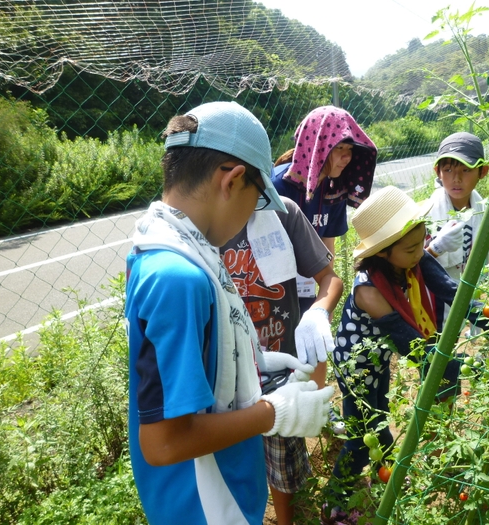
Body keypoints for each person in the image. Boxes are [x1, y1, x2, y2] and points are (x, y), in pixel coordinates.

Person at [124, 101, 334, 525]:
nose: (253, 213)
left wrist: (256, 362)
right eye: (257, 199)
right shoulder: (179, 278)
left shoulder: (167, 243)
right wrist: (275, 412)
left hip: (215, 493)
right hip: (205, 506)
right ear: (234, 180)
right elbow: (163, 442)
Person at [325, 187, 484, 518]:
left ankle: (386, 479)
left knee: (380, 417)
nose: (419, 253)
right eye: (411, 248)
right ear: (383, 252)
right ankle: (334, 500)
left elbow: (451, 292)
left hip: (378, 358)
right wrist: (452, 367)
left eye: (422, 241)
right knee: (360, 435)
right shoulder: (369, 289)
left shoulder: (412, 258)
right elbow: (407, 342)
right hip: (356, 365)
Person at [220, 196, 343, 525]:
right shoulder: (199, 225)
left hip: (281, 377)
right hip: (224, 376)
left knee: (283, 461)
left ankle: (287, 518)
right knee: (232, 460)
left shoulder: (281, 212)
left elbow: (330, 278)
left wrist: (318, 311)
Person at [271, 105, 378, 315]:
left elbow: (328, 247)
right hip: (273, 289)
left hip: (308, 287)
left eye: (350, 150)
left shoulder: (335, 190)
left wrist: (323, 308)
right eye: (339, 148)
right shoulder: (278, 186)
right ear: (318, 145)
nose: (347, 158)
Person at [425, 132, 489, 328]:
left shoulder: (482, 209)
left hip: (467, 288)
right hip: (434, 297)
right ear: (438, 171)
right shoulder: (425, 213)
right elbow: (410, 264)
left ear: (483, 171)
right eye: (448, 170)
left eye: (466, 170)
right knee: (440, 341)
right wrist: (435, 247)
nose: (457, 179)